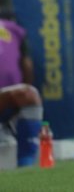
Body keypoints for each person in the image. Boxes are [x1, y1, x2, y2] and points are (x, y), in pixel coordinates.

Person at [0, 11, 42, 169]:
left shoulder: (13, 29)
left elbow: (27, 66)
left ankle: (26, 165)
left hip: (4, 99)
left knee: (28, 94)